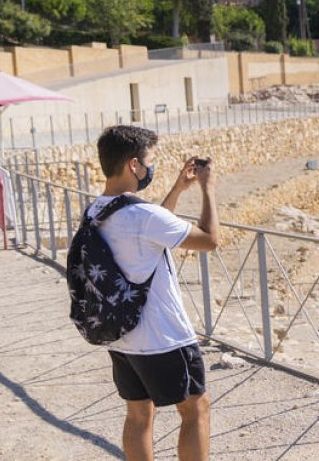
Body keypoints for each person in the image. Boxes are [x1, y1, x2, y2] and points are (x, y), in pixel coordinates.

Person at [93, 125, 220, 461]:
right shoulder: (143, 216)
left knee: (138, 414)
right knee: (196, 409)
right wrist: (208, 190)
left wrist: (178, 188)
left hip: (120, 334)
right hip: (162, 336)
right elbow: (209, 239)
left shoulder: (97, 210)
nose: (152, 167)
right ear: (134, 165)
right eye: (150, 161)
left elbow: (156, 226)